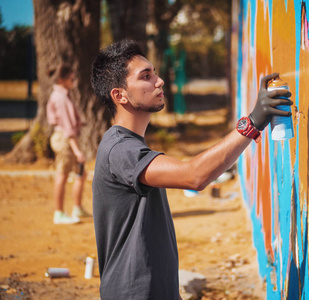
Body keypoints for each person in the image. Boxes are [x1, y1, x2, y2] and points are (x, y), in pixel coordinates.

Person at [90, 39, 292, 299]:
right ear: (120, 95)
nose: (159, 81)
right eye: (146, 76)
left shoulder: (128, 144)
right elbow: (194, 176)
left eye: (155, 72)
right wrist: (251, 123)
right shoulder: (120, 150)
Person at [46, 63, 91, 224]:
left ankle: (77, 208)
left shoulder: (62, 95)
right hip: (66, 140)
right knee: (62, 175)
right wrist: (77, 150)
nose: (74, 80)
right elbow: (67, 128)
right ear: (62, 79)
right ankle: (59, 213)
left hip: (66, 138)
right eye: (71, 77)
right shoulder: (61, 98)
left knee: (81, 173)